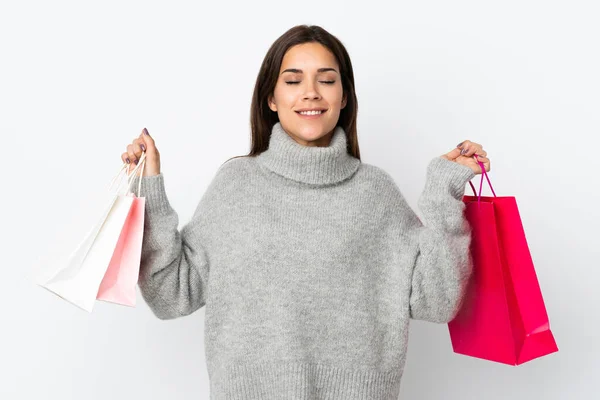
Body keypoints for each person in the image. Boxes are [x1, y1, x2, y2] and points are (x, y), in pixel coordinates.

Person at [124, 24, 490, 400]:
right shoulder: (236, 185)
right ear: (271, 97)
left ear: (344, 96)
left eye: (327, 80)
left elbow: (436, 301)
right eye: (293, 80)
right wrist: (148, 189)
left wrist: (444, 193)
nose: (311, 93)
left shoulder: (375, 194)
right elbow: (171, 296)